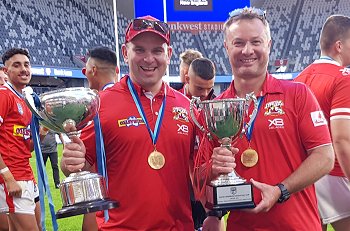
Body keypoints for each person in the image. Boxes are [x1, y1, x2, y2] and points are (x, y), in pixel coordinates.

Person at [60, 15, 216, 230]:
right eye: (140, 49)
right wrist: (70, 161)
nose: (149, 59)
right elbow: (76, 167)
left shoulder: (188, 107)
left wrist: (217, 168)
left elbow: (199, 174)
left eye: (157, 51)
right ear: (125, 53)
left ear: (168, 54)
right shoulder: (100, 104)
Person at [194, 7, 335, 231]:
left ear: (268, 45)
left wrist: (281, 190)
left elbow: (325, 157)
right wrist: (213, 168)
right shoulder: (214, 109)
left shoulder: (297, 94)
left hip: (298, 226)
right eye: (238, 43)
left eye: (256, 42)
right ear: (226, 47)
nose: (247, 50)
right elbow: (198, 180)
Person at [294, 15, 350, 231]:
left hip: (306, 176)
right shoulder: (343, 77)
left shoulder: (298, 80)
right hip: (336, 172)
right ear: (339, 46)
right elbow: (342, 138)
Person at [0, 48, 40, 230]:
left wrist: (45, 129)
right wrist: (7, 176)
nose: (24, 69)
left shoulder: (25, 100)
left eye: (26, 64)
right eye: (17, 65)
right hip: (11, 176)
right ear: (6, 71)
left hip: (26, 175)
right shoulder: (4, 95)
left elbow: (27, 147)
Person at [81, 46, 118, 231]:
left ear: (93, 70)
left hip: (104, 196)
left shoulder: (97, 104)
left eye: (85, 70)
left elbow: (81, 163)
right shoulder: (133, 100)